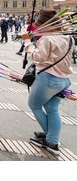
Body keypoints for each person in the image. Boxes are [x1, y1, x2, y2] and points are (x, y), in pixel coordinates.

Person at [23, 10, 74, 155]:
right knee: (52, 109)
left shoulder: (48, 38)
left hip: (49, 79)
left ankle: (51, 138)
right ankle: (52, 140)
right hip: (64, 80)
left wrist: (28, 42)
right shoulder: (68, 37)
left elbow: (38, 57)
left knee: (34, 105)